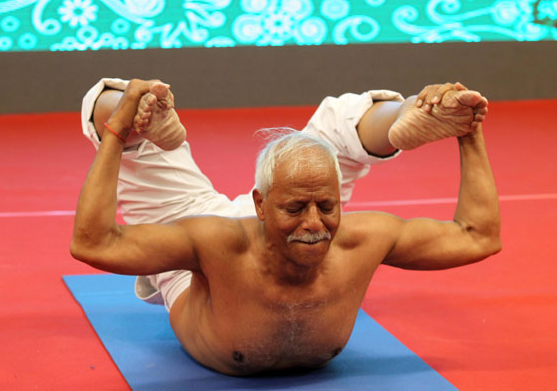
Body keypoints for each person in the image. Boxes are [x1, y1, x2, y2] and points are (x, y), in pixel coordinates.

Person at [70, 78, 500, 376]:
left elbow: (477, 235)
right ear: (259, 205)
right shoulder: (209, 241)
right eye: (297, 209)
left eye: (327, 206)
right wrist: (118, 129)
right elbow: (93, 243)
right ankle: (143, 119)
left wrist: (469, 132)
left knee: (327, 145)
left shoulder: (356, 237)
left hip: (287, 197)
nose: (314, 224)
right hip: (200, 226)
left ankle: (405, 113)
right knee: (116, 115)